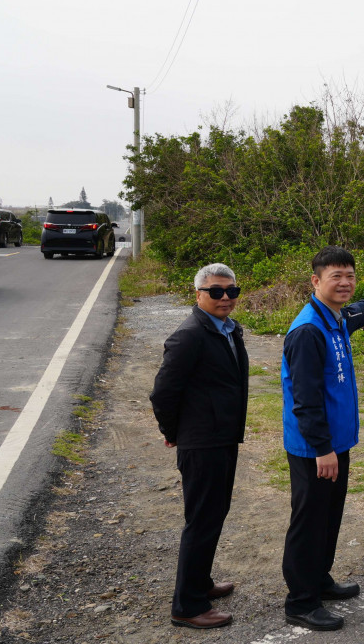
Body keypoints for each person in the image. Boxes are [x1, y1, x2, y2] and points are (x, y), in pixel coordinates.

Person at [280, 246, 364, 631]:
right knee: (310, 521)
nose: (345, 283)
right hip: (316, 447)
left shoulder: (336, 318)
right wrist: (322, 448)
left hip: (336, 442)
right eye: (336, 277)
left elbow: (361, 310)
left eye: (350, 276)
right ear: (316, 281)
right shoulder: (308, 330)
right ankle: (300, 601)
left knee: (330, 516)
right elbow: (306, 399)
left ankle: (320, 579)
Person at [150, 263, 249, 630]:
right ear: (198, 294)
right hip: (202, 442)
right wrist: (174, 431)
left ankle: (201, 583)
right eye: (216, 291)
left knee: (214, 513)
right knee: (202, 520)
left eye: (231, 291)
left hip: (222, 437)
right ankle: (187, 605)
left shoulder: (228, 329)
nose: (225, 297)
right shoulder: (189, 335)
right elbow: (163, 392)